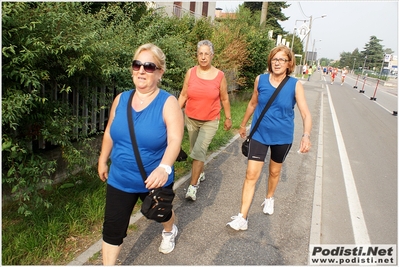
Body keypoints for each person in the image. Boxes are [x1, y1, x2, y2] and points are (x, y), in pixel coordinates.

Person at [98, 43, 184, 264]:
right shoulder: (121, 99)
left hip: (153, 178)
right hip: (120, 179)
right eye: (137, 65)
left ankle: (169, 229)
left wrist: (164, 168)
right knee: (112, 230)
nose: (142, 70)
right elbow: (109, 131)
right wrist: (102, 160)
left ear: (160, 72)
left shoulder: (168, 102)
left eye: (149, 66)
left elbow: (175, 139)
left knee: (161, 214)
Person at [227, 45, 312, 231]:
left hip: (282, 136)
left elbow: (305, 113)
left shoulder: (295, 85)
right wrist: (243, 124)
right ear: (270, 61)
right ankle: (242, 217)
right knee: (251, 175)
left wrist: (306, 135)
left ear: (289, 63)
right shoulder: (261, 80)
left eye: (282, 59)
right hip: (259, 134)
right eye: (274, 59)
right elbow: (253, 103)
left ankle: (269, 197)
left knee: (274, 172)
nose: (277, 62)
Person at [178, 40, 232, 201]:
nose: (203, 57)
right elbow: (183, 94)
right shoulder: (191, 72)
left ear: (212, 55)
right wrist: (173, 112)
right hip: (192, 118)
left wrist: (228, 118)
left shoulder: (220, 75)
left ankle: (192, 187)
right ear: (197, 55)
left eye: (206, 54)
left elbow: (225, 98)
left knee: (199, 151)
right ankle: (200, 172)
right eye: (200, 54)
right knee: (195, 149)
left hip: (210, 120)